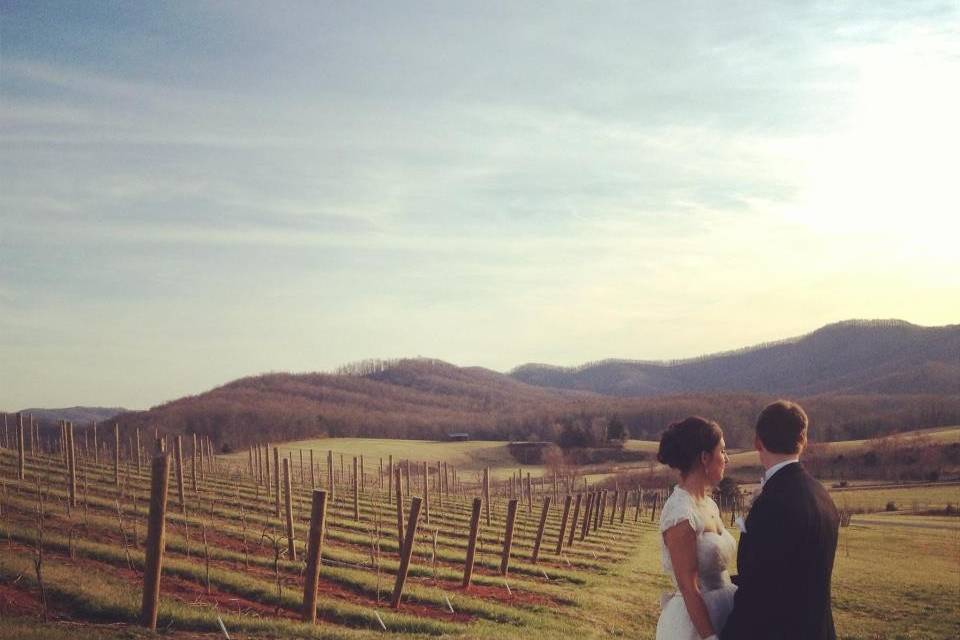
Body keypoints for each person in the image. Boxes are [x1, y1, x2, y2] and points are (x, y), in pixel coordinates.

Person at [721, 400, 840, 640]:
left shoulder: (771, 504)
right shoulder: (822, 495)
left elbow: (756, 590)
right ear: (803, 441)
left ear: (757, 442)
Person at [655, 416, 736, 640]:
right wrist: (710, 637)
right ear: (704, 458)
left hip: (726, 611)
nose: (726, 458)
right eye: (722, 451)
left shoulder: (709, 504)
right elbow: (688, 586)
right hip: (696, 626)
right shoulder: (680, 513)